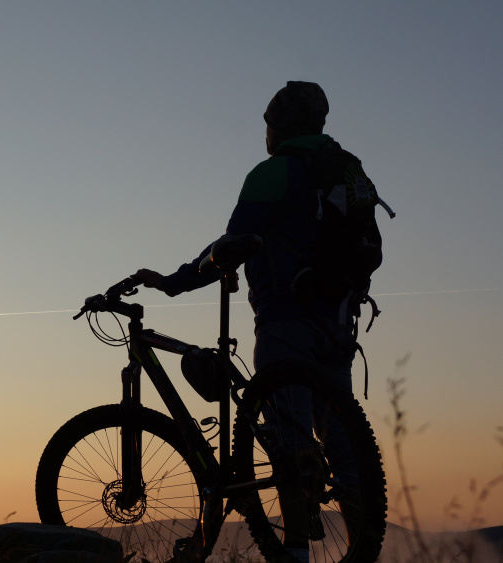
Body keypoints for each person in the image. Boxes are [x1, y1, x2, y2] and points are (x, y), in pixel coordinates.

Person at [131, 81, 374, 562]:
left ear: (277, 127)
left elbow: (232, 243)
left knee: (289, 446)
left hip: (287, 323)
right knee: (344, 448)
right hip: (338, 322)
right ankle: (364, 549)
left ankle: (295, 554)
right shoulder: (347, 171)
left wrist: (174, 282)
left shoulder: (273, 172)